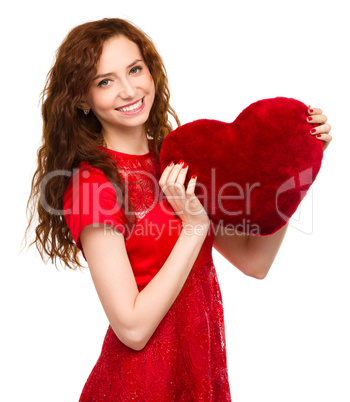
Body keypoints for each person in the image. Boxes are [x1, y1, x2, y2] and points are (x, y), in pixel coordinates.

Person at [25, 18, 332, 401]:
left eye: (135, 69)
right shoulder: (91, 185)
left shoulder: (175, 158)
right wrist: (193, 228)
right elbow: (132, 330)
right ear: (82, 100)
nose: (128, 89)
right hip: (140, 386)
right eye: (105, 81)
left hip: (199, 373)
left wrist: (299, 162)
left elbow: (255, 262)